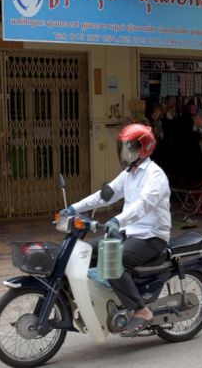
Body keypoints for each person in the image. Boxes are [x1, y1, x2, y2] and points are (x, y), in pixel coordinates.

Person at [62, 123, 171, 337]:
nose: (124, 152)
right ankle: (106, 299)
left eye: (129, 147)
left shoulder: (154, 175)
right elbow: (104, 196)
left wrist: (117, 220)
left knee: (112, 262)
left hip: (151, 236)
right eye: (122, 147)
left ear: (143, 149)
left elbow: (143, 205)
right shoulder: (128, 174)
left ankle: (141, 310)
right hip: (128, 233)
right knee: (83, 251)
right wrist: (75, 207)